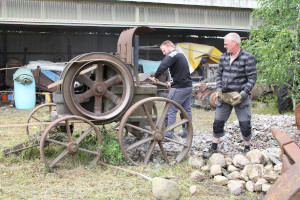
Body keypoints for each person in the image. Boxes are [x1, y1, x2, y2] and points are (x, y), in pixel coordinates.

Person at [203, 33, 257, 159]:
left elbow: (252, 78)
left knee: (245, 123)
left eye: (226, 43)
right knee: (217, 122)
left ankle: (247, 148)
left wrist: (244, 93)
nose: (224, 46)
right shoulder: (223, 57)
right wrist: (219, 89)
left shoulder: (248, 58)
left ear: (235, 43)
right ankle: (213, 148)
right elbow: (219, 75)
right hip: (225, 96)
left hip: (240, 96)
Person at [153, 40, 193, 139]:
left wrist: (156, 76)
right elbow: (182, 74)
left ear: (170, 47)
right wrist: (173, 82)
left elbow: (163, 65)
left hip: (180, 89)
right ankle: (187, 132)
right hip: (187, 87)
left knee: (171, 110)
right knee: (186, 110)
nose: (164, 53)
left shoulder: (172, 54)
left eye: (164, 50)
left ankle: (168, 134)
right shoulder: (180, 55)